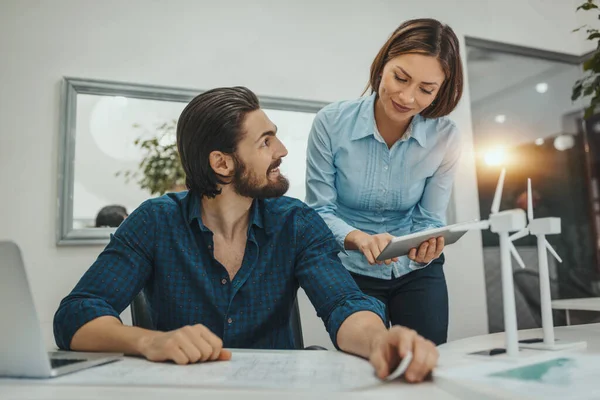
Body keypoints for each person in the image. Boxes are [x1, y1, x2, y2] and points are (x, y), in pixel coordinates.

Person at [54, 86, 438, 382]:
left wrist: (378, 341)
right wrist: (148, 341)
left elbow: (344, 304)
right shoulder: (155, 221)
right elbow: (76, 317)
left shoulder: (295, 222)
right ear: (222, 163)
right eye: (265, 142)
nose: (282, 150)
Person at [305, 18, 463, 345]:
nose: (407, 97)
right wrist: (360, 239)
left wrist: (428, 246)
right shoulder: (331, 123)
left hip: (416, 271)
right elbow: (319, 210)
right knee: (365, 364)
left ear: (441, 90)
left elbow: (430, 217)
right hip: (351, 267)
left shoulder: (445, 137)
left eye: (426, 89)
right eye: (400, 78)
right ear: (382, 65)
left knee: (426, 360)